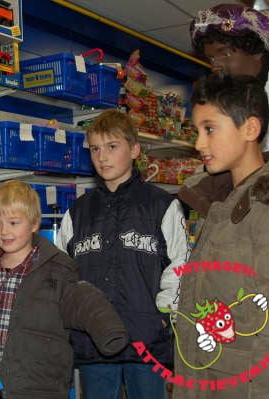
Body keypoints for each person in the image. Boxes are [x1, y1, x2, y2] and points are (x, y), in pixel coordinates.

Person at [170, 74, 269, 399]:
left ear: (250, 129)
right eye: (197, 131)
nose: (199, 143)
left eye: (210, 129)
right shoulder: (221, 206)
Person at [56, 109, 190, 399]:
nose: (102, 157)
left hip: (148, 341)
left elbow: (180, 265)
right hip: (95, 343)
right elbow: (62, 273)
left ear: (135, 149)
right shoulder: (77, 213)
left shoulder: (162, 205)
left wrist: (163, 316)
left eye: (112, 147)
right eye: (95, 149)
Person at [0, 180, 128, 399]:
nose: (4, 231)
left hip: (37, 387)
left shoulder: (56, 271)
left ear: (34, 224)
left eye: (13, 222)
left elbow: (84, 301)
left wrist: (109, 330)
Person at [190, 3, 269, 158]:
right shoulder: (236, 97)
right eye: (211, 58)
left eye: (225, 54)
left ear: (256, 51)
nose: (215, 65)